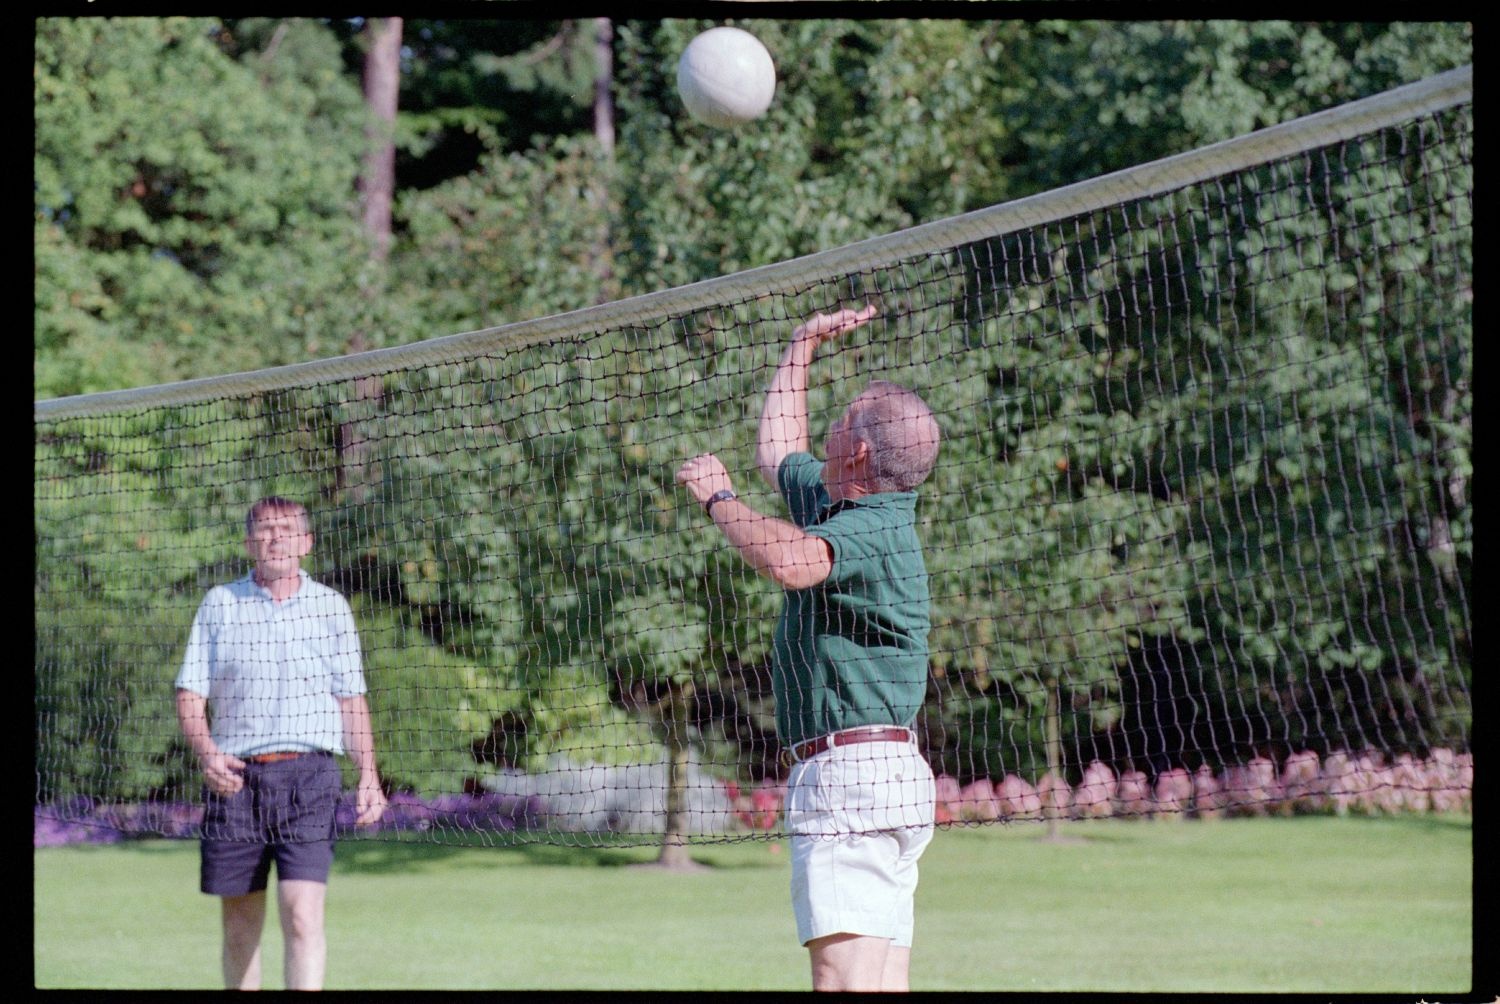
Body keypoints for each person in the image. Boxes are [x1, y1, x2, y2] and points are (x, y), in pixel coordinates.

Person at [675, 305, 941, 992]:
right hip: (878, 775)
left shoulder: (872, 529)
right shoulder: (839, 504)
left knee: (843, 983)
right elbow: (777, 451)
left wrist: (718, 499)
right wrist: (802, 346)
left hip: (852, 777)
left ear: (856, 452)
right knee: (878, 985)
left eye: (840, 419)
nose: (825, 424)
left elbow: (793, 563)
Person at [175, 496, 387, 990]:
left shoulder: (331, 607)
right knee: (240, 927)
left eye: (287, 530)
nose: (276, 538)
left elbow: (351, 701)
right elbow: (189, 695)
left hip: (310, 780)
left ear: (306, 543)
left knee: (301, 915)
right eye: (265, 530)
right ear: (250, 543)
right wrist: (207, 754)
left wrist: (369, 776)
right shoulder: (220, 604)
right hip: (235, 783)